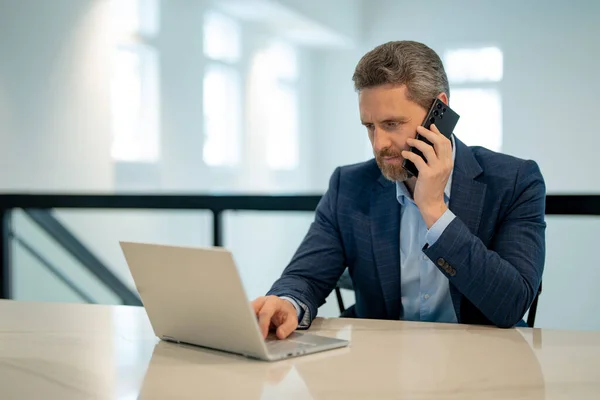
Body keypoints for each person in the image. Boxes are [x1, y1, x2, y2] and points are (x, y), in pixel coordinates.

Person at [251, 40, 546, 339]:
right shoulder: (349, 186)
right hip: (383, 365)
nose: (379, 144)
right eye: (369, 126)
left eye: (392, 123)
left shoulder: (515, 181)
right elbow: (305, 276)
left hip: (484, 364)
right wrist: (286, 303)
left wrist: (435, 211)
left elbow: (511, 303)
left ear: (439, 111)